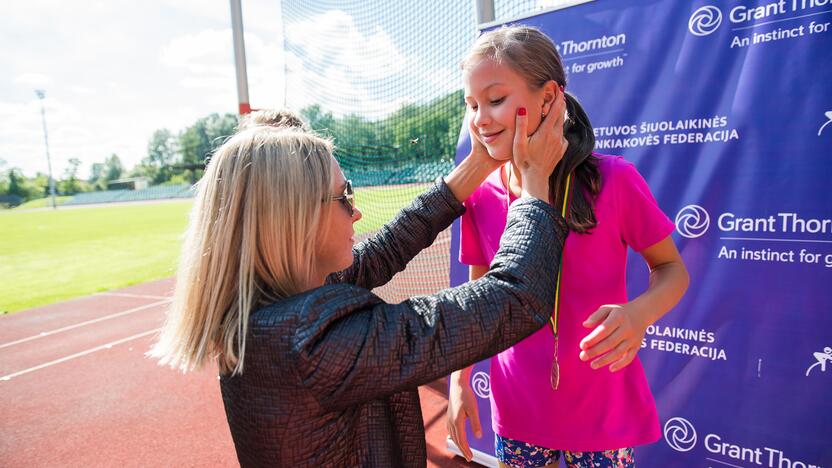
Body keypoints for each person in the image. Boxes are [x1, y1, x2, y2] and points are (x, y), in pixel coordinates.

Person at [149, 102, 570, 466]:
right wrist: (535, 184)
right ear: (295, 221)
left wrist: (479, 164)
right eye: (343, 196)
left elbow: (383, 252)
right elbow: (513, 298)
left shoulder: (268, 310)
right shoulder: (312, 342)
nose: (356, 213)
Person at [447, 26, 690, 468]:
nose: (481, 118)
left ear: (549, 98)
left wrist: (639, 314)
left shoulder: (612, 179)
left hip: (602, 415)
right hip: (517, 410)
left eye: (496, 99)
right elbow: (476, 305)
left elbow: (672, 269)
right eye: (472, 104)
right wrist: (459, 380)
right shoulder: (480, 196)